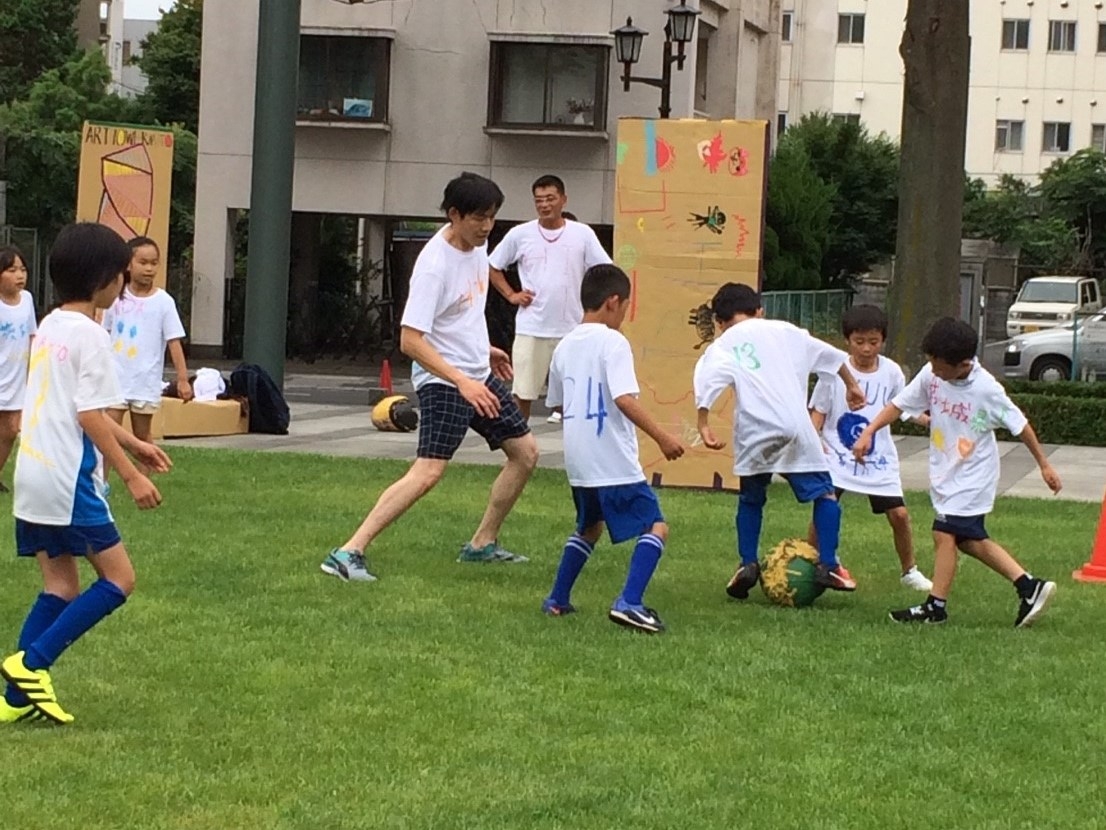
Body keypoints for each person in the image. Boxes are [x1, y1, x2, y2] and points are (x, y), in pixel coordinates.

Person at [321, 172, 540, 582]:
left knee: (526, 453)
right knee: (428, 473)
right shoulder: (433, 267)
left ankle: (481, 545)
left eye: (492, 217)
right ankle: (348, 552)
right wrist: (461, 379)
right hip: (445, 381)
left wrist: (484, 350)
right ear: (454, 215)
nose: (487, 226)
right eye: (479, 218)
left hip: (474, 373)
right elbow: (410, 340)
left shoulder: (477, 247)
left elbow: (463, 312)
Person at [1, 223, 170, 725]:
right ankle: (31, 665)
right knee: (119, 579)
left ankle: (13, 700)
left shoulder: (50, 325)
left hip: (33, 471)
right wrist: (132, 475)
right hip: (68, 479)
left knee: (60, 587)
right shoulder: (94, 335)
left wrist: (136, 442)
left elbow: (68, 404)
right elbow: (91, 415)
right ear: (106, 279)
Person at [852, 317, 1061, 627]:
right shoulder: (932, 373)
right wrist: (869, 431)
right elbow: (899, 405)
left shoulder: (986, 389)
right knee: (967, 539)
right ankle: (1028, 586)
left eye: (938, 366)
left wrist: (1044, 465)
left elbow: (1021, 426)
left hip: (974, 475)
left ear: (963, 364)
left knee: (943, 531)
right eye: (931, 363)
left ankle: (935, 607)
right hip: (947, 471)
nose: (933, 371)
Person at [693, 283, 866, 598]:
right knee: (825, 495)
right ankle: (828, 564)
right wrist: (852, 385)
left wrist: (703, 422)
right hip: (795, 425)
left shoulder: (723, 344)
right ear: (760, 311)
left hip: (755, 430)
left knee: (751, 498)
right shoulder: (788, 332)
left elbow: (707, 380)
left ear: (718, 322)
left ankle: (747, 563)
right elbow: (830, 357)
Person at [542, 264, 686, 633]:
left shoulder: (564, 346)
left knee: (590, 526)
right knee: (656, 525)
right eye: (625, 307)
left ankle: (557, 600)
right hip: (612, 459)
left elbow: (557, 403)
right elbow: (623, 398)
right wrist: (663, 437)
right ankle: (630, 602)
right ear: (613, 302)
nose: (624, 315)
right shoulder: (613, 342)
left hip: (579, 460)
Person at [808, 304, 932, 591]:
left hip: (878, 459)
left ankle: (909, 570)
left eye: (873, 342)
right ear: (847, 341)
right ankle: (814, 560)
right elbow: (818, 413)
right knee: (826, 506)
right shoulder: (833, 372)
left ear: (883, 341)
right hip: (836, 455)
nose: (866, 349)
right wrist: (814, 443)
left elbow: (901, 407)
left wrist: (927, 421)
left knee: (899, 515)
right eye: (859, 342)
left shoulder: (891, 372)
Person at [488, 174, 612, 423]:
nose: (544, 205)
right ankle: (519, 446)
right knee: (522, 392)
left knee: (574, 394)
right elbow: (492, 265)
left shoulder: (582, 233)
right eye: (539, 200)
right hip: (531, 327)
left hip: (573, 328)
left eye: (550, 199)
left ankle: (577, 448)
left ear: (563, 200)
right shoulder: (520, 234)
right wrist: (511, 294)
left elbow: (604, 271)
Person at [102, 236, 193, 447]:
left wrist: (182, 379)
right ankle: (101, 480)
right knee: (109, 434)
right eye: (143, 263)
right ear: (128, 264)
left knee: (142, 436)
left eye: (154, 263)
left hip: (145, 381)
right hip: (115, 378)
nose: (149, 269)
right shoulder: (114, 297)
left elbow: (174, 342)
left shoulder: (164, 302)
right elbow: (103, 334)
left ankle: (143, 478)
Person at [0, 246, 36, 493]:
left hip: (16, 378)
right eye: (12, 270)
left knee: (11, 430)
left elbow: (33, 335)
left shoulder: (28, 300)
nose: (19, 275)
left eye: (22, 269)